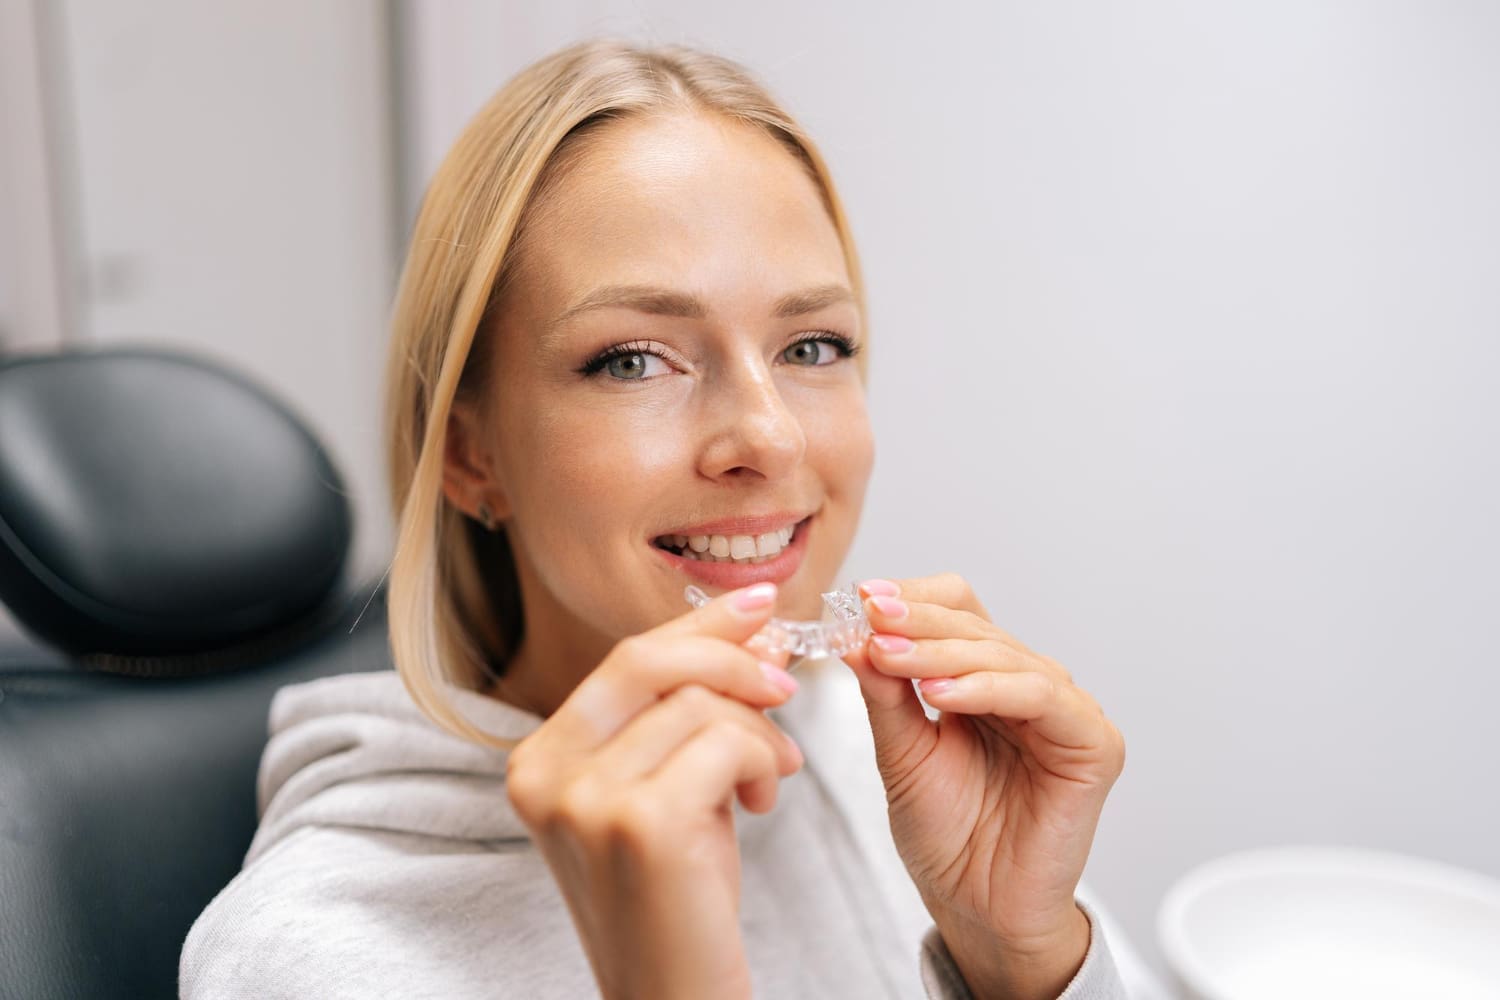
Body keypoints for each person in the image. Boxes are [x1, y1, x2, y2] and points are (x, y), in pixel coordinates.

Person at [180, 39, 1170, 1000]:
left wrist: (1022, 961)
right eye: (634, 359)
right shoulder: (303, 958)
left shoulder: (901, 772)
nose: (769, 437)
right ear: (471, 454)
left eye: (814, 345)